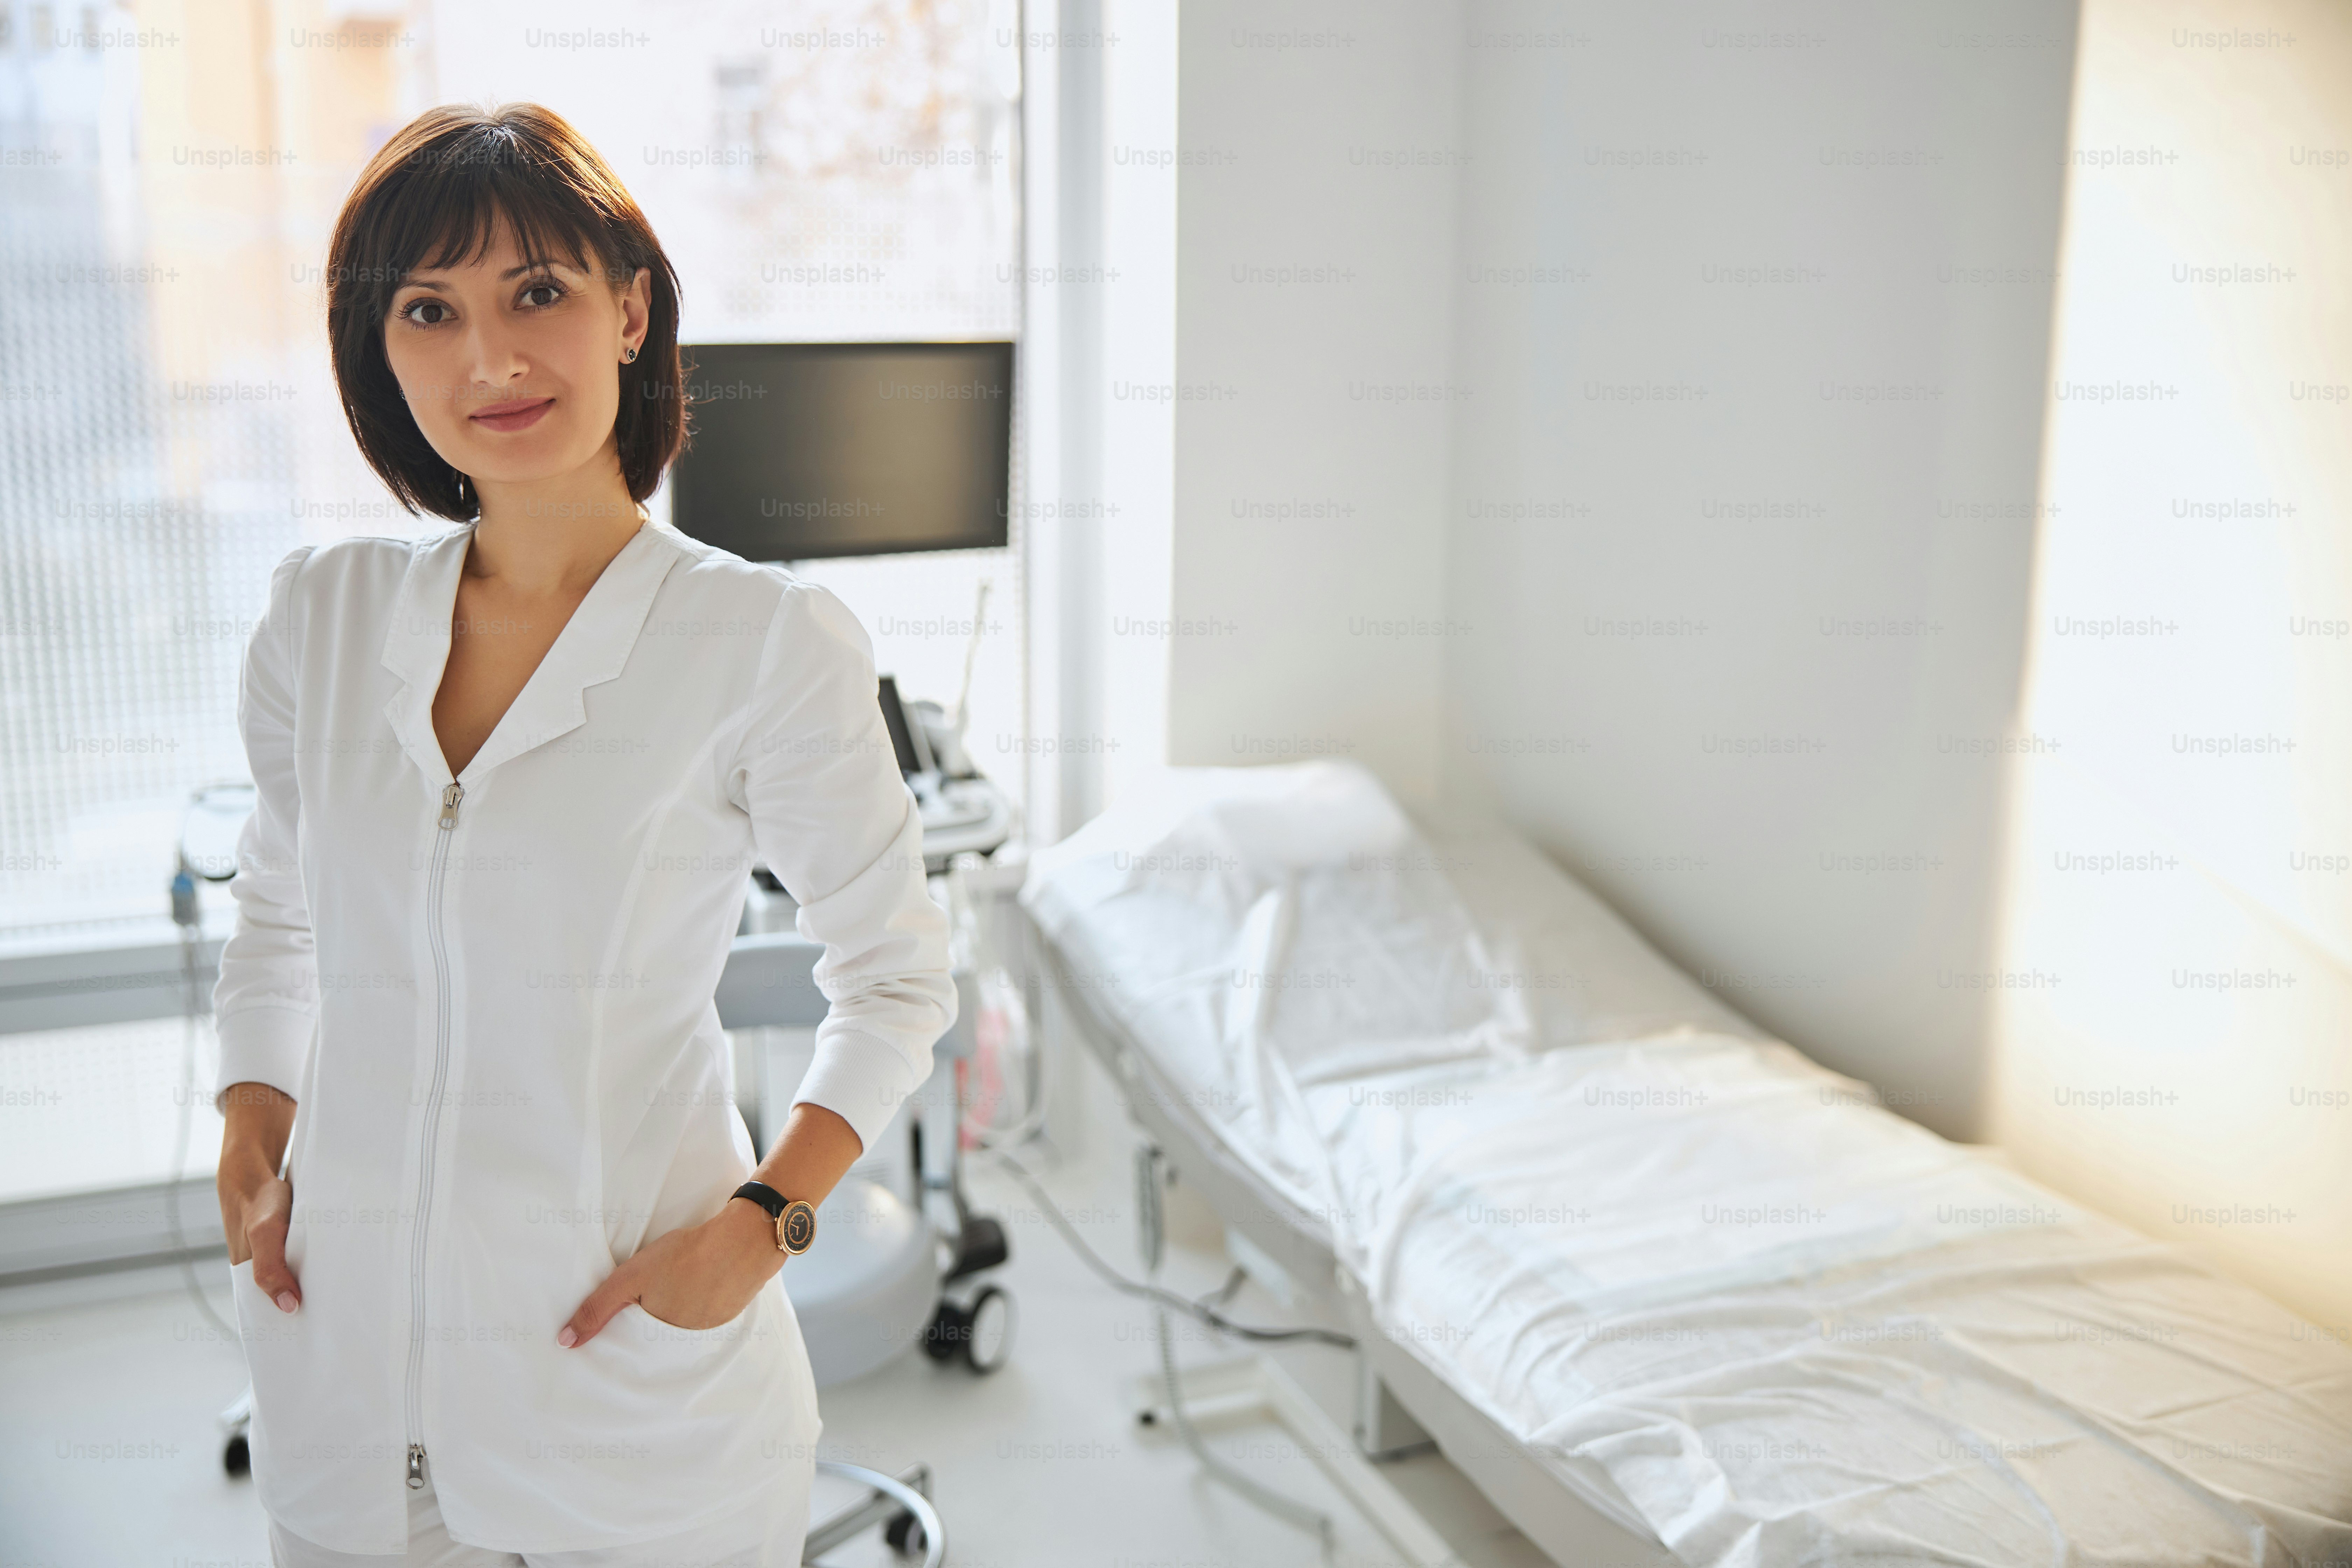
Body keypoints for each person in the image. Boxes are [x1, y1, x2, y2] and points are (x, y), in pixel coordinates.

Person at [211, 103, 955, 1567]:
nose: (489, 357)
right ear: (382, 353)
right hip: (344, 1384)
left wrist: (763, 1224)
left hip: (627, 1395)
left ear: (629, 309)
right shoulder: (324, 611)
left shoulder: (761, 639)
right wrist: (253, 1109)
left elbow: (897, 977)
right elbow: (279, 906)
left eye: (535, 292)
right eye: (430, 310)